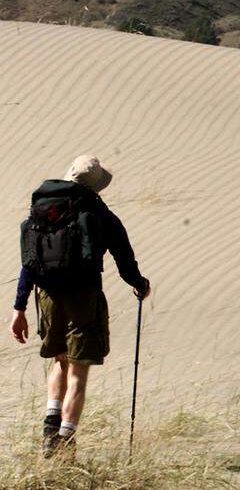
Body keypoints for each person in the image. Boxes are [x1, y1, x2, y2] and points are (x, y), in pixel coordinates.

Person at [8, 155, 151, 458]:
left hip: (46, 296)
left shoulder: (44, 209)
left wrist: (18, 308)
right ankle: (64, 439)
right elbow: (124, 258)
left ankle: (50, 425)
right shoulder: (100, 214)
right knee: (79, 372)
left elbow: (29, 263)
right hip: (83, 297)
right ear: (96, 185)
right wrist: (139, 284)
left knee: (59, 361)